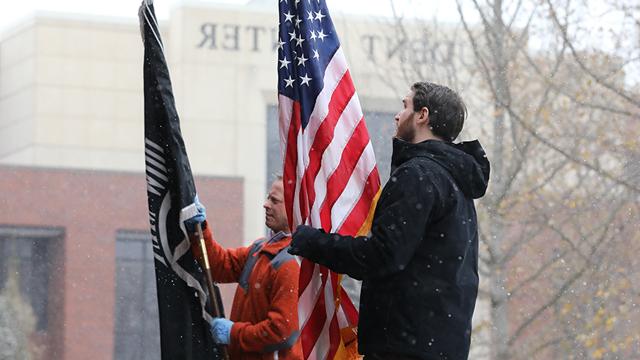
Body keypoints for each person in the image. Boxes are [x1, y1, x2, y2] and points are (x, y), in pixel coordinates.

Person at [288, 82, 490, 360]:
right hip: (438, 345)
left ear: (423, 115)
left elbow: (382, 256)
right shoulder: (455, 181)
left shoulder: (418, 176)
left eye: (405, 105)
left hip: (404, 348)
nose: (397, 115)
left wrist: (313, 241)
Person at [187, 177, 302, 359]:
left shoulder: (291, 264)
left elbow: (281, 332)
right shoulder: (260, 249)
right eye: (268, 198)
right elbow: (220, 265)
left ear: (293, 208)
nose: (265, 204)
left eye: (274, 200)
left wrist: (233, 333)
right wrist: (199, 230)